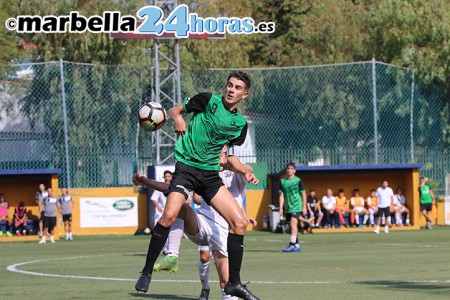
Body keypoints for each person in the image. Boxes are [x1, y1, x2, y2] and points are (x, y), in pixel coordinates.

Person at [135, 71, 259, 300]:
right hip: (186, 168)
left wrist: (243, 169)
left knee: (240, 223)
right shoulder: (208, 100)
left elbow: (228, 158)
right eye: (229, 85)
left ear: (245, 94)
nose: (231, 90)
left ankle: (234, 284)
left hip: (209, 175)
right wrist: (178, 118)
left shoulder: (240, 125)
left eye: (237, 88)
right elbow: (173, 110)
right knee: (169, 215)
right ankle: (147, 271)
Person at [133, 145, 256, 300]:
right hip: (204, 222)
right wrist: (147, 181)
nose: (217, 146)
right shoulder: (203, 170)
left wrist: (242, 170)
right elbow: (174, 188)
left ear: (227, 148)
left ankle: (218, 291)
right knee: (181, 208)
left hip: (224, 230)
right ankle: (172, 256)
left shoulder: (237, 170)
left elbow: (246, 168)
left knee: (226, 282)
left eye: (222, 144)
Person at [279, 162, 309, 252]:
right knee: (292, 226)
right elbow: (281, 196)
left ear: (295, 171)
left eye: (292, 168)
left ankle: (292, 245)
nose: (289, 170)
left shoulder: (298, 180)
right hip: (288, 207)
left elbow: (303, 194)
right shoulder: (282, 182)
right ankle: (296, 245)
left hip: (297, 206)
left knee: (293, 224)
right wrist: (281, 208)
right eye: (288, 168)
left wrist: (304, 207)